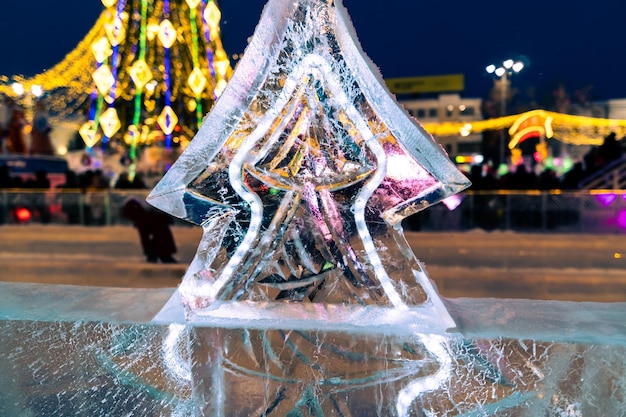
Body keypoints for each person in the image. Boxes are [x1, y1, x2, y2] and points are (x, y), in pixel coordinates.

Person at [122, 197, 178, 263]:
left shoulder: (141, 219)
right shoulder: (146, 215)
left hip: (162, 239)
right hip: (163, 235)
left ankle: (160, 257)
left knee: (163, 254)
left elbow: (145, 238)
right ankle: (164, 257)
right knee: (164, 253)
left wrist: (148, 252)